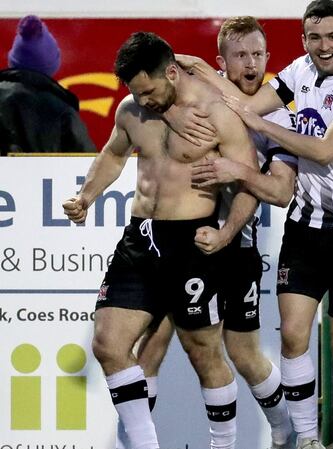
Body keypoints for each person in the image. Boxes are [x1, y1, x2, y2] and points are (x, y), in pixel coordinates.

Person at [178, 2, 333, 448]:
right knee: (292, 337)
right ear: (303, 41)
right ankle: (307, 440)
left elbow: (326, 151)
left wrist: (260, 127)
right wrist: (198, 68)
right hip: (304, 229)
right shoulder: (299, 71)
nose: (324, 46)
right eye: (315, 38)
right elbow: (247, 104)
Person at [62, 31, 259, 449]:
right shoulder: (132, 110)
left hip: (193, 243)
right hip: (141, 238)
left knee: (204, 355)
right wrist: (86, 196)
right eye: (136, 93)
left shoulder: (216, 114)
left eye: (149, 91)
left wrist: (225, 234)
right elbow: (115, 154)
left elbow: (248, 183)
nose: (144, 100)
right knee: (108, 344)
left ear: (171, 72)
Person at [115, 17, 297, 449]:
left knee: (244, 356)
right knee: (151, 347)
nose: (250, 64)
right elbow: (155, 64)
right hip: (188, 245)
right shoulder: (199, 102)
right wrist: (175, 105)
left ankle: (286, 430)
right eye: (240, 56)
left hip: (237, 245)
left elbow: (279, 191)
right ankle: (137, 442)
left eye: (257, 54)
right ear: (221, 64)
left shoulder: (278, 121)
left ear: (269, 59)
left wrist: (235, 175)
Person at [0, 15, 95, 155]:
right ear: (51, 66)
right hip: (41, 177)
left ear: (14, 61)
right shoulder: (62, 111)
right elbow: (88, 166)